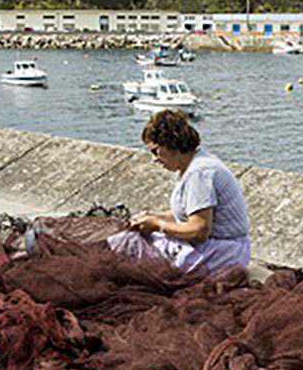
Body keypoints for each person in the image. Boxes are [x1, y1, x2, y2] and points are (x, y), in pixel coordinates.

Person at [107, 109, 251, 273]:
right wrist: (152, 216)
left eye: (156, 151)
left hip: (222, 252)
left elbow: (200, 230)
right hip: (219, 247)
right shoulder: (194, 165)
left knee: (129, 244)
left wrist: (157, 225)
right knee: (129, 240)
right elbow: (188, 213)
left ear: (171, 144)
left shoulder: (199, 173)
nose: (154, 159)